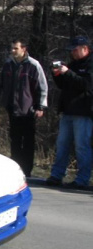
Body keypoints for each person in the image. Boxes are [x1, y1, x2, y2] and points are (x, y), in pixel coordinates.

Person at [46, 36, 93, 189]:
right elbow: (64, 85)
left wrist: (68, 73)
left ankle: (82, 179)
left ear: (84, 48)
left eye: (75, 49)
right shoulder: (73, 64)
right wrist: (57, 74)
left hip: (83, 112)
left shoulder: (90, 64)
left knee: (81, 146)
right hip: (67, 111)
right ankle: (57, 175)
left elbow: (86, 84)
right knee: (62, 144)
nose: (72, 52)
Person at [0, 39, 48, 177]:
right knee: (14, 140)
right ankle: (16, 169)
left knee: (28, 141)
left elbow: (42, 86)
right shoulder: (8, 64)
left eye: (15, 48)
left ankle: (27, 170)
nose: (12, 51)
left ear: (24, 49)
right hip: (12, 109)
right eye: (12, 48)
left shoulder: (33, 65)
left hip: (28, 110)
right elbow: (3, 84)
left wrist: (40, 106)